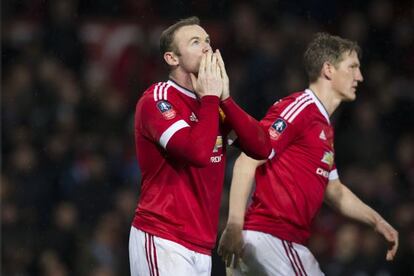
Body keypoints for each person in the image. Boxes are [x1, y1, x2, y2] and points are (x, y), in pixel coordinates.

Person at [218, 32, 399, 275]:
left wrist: (378, 222)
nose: (360, 76)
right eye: (353, 67)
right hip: (271, 240)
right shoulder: (301, 108)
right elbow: (247, 159)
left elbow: (334, 191)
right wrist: (234, 225)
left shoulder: (323, 127)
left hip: (269, 244)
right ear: (328, 69)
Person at [129, 16, 273, 276]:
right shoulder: (157, 100)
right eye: (195, 42)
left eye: (207, 40)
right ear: (172, 58)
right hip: (163, 237)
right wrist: (210, 99)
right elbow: (198, 153)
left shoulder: (212, 106)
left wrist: (226, 100)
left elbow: (262, 148)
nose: (207, 47)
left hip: (201, 245)